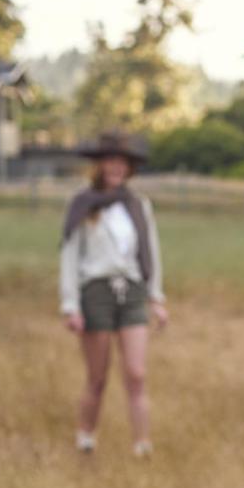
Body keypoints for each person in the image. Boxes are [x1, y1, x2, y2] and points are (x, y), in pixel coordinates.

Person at [59, 131, 167, 456]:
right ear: (100, 165)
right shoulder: (83, 204)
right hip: (96, 292)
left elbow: (151, 252)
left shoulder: (138, 206)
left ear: (129, 168)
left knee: (136, 373)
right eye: (110, 162)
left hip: (132, 291)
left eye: (122, 163)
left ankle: (143, 446)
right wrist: (70, 305)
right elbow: (69, 256)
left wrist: (156, 297)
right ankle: (86, 439)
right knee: (98, 376)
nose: (116, 168)